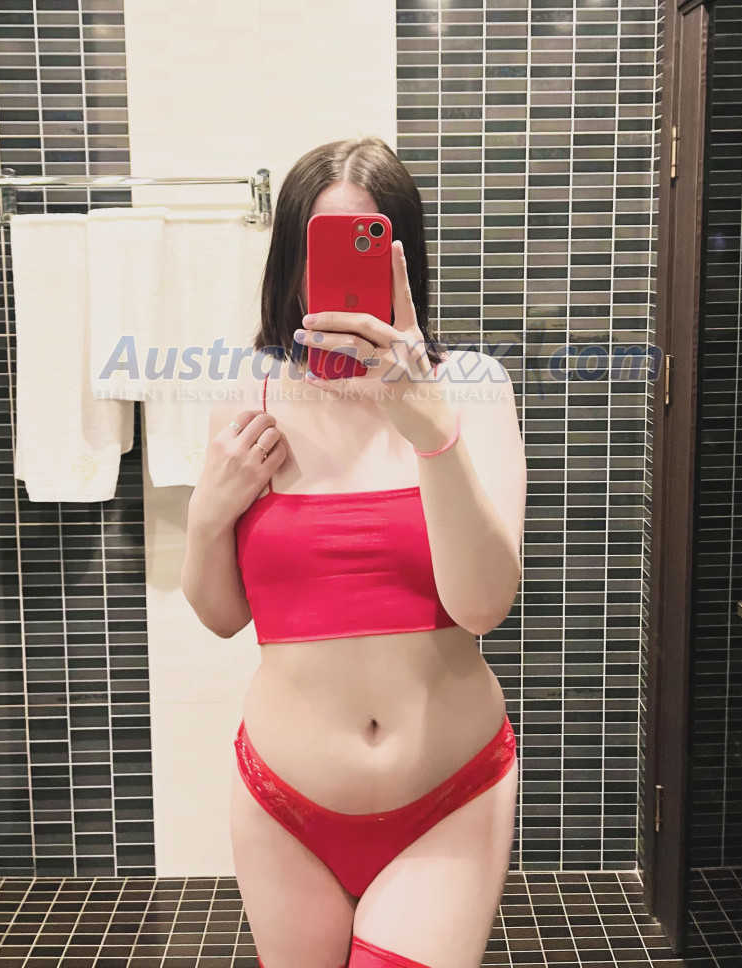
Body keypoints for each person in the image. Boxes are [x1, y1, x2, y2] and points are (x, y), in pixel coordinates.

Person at [182, 137, 527, 968]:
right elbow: (222, 616)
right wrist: (208, 514)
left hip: (448, 802)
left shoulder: (472, 387)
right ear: (291, 264)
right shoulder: (249, 390)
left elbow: (483, 607)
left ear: (404, 259)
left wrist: (430, 429)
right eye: (320, 248)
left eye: (368, 245)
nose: (339, 275)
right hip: (283, 809)